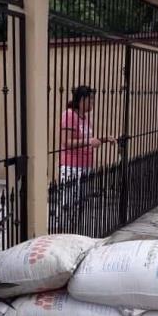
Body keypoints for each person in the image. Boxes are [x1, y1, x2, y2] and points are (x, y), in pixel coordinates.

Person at [58, 86, 114, 228]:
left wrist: (104, 139)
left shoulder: (85, 119)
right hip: (72, 166)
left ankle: (74, 231)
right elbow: (66, 141)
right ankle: (64, 231)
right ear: (82, 100)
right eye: (91, 100)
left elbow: (87, 139)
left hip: (84, 167)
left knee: (80, 203)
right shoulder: (69, 115)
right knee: (69, 203)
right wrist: (89, 141)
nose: (93, 103)